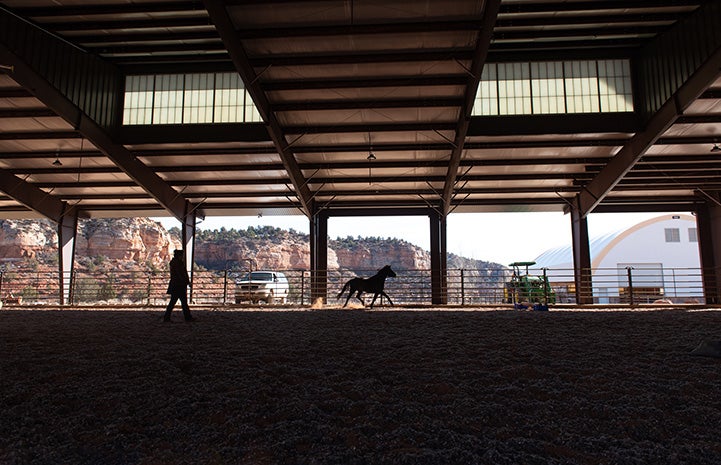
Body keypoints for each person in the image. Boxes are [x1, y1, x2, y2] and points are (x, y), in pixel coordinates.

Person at [163, 249, 195, 322]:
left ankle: (167, 317)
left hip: (175, 284)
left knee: (173, 302)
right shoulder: (179, 263)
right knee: (183, 302)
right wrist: (186, 282)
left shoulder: (173, 262)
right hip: (179, 285)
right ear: (180, 255)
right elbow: (181, 274)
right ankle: (187, 317)